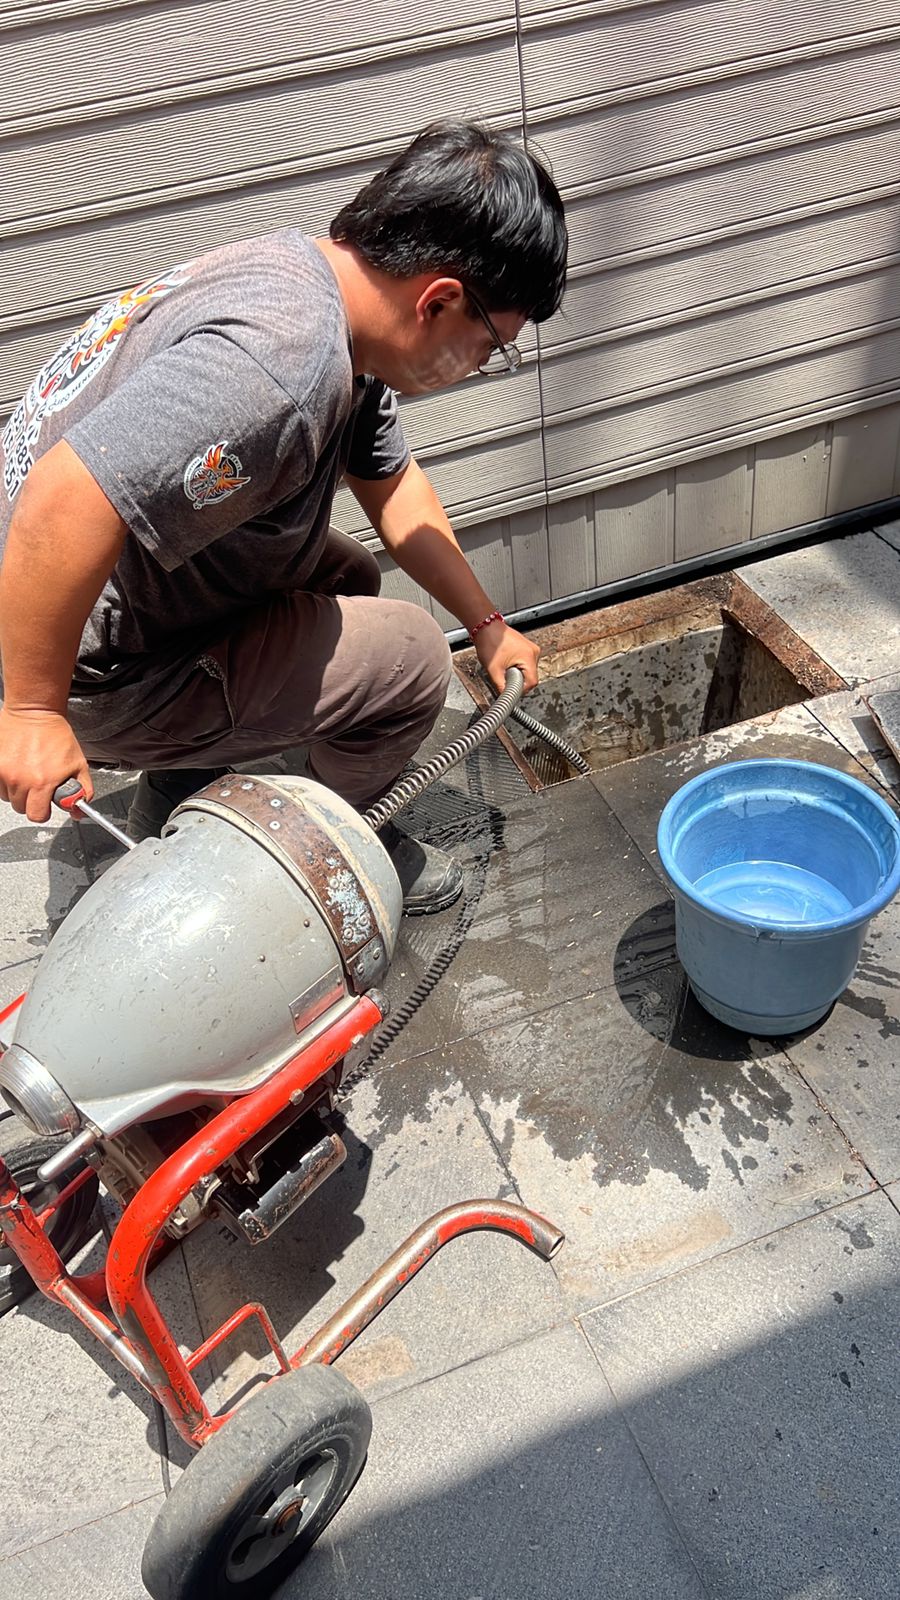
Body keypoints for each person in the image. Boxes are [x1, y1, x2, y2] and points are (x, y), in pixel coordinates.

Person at [0, 119, 567, 913]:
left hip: (99, 602)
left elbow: (393, 484)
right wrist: (31, 711)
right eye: (491, 347)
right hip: (89, 668)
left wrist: (488, 624)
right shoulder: (282, 370)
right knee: (410, 662)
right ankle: (341, 849)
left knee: (348, 573)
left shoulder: (312, 285)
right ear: (439, 300)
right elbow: (65, 495)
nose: (480, 367)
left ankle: (181, 778)